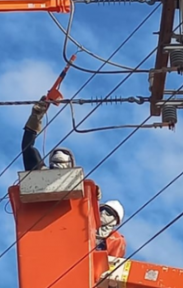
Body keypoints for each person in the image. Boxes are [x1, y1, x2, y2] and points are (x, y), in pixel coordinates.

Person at [22, 97, 127, 257]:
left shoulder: (79, 196)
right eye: (55, 163)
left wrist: (92, 195)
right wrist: (35, 118)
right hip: (46, 234)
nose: (58, 167)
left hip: (71, 245)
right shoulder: (40, 180)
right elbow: (28, 148)